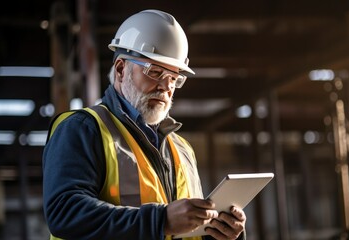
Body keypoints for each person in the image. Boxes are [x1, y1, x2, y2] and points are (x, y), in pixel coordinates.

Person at [42, 9, 247, 240]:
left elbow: (182, 230)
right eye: (155, 72)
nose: (165, 87)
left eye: (174, 78)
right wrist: (161, 221)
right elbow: (64, 213)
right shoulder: (83, 128)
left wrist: (219, 232)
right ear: (121, 69)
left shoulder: (182, 149)